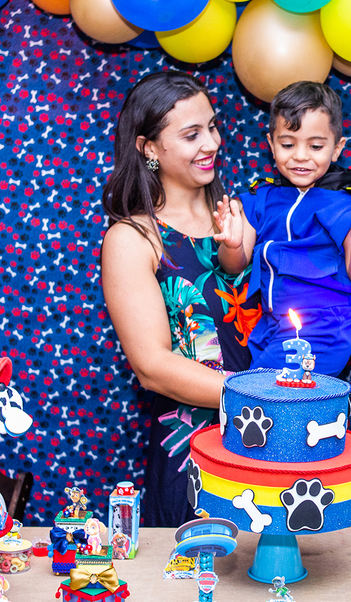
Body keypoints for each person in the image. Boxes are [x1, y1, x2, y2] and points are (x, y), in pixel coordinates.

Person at [101, 71, 259, 528]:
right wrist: (260, 397)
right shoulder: (133, 239)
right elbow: (152, 366)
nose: (211, 143)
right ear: (149, 148)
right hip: (194, 450)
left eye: (212, 127)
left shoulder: (238, 214)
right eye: (191, 135)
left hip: (272, 441)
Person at [213, 81, 351, 376]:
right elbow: (233, 265)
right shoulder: (260, 199)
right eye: (288, 144)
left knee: (256, 395)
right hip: (270, 325)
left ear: (337, 148)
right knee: (260, 399)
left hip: (322, 329)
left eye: (315, 146)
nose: (300, 155)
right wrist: (231, 245)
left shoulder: (346, 206)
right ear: (271, 145)